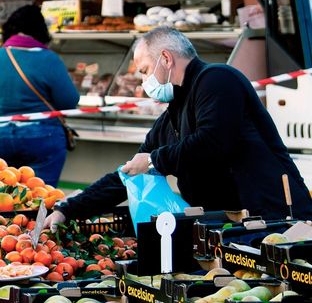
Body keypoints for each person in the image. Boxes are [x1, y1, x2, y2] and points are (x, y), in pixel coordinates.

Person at [46, 26, 312, 230]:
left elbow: (213, 143)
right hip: (227, 225)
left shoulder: (218, 80)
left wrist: (153, 161)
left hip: (273, 218)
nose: (142, 82)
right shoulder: (172, 114)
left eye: (144, 70)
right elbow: (129, 173)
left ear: (165, 58)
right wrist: (68, 209)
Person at [0, 5, 79, 186]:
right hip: (42, 135)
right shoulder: (49, 59)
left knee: (3, 199)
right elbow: (69, 101)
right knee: (41, 197)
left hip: (0, 135)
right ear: (41, 30)